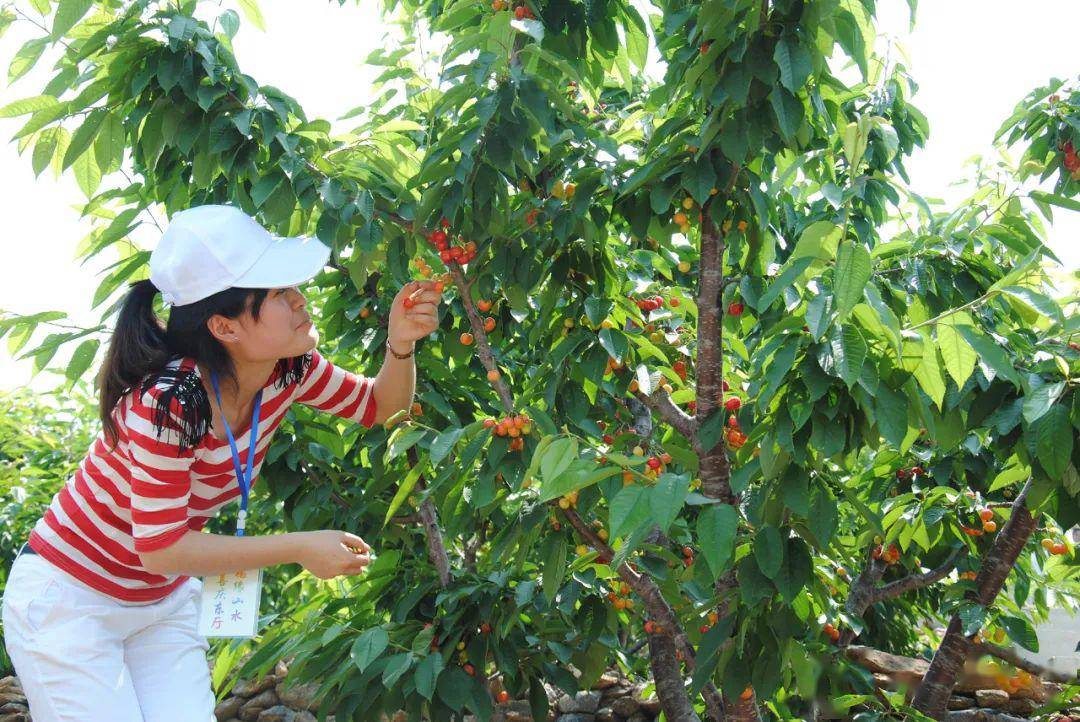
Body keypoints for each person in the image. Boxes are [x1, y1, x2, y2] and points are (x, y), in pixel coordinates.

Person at [0, 204, 441, 721]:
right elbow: (161, 546)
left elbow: (379, 406)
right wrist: (300, 546)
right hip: (70, 599)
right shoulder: (167, 402)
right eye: (278, 293)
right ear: (224, 327)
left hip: (158, 603)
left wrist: (401, 344)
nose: (300, 299)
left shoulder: (286, 370)